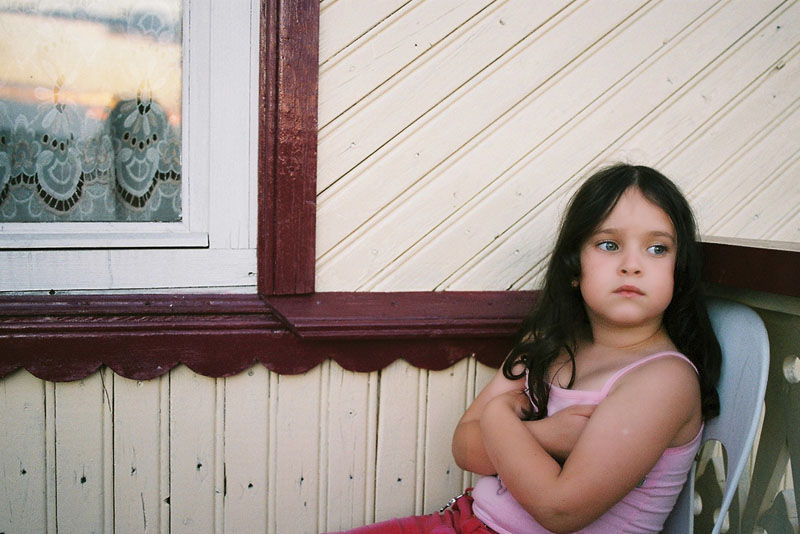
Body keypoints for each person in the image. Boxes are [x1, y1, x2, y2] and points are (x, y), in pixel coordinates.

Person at [327, 163, 721, 534]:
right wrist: (548, 433)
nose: (632, 265)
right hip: (466, 521)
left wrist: (499, 414)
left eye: (657, 249)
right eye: (608, 244)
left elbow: (559, 508)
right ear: (572, 267)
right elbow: (465, 448)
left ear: (678, 270)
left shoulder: (662, 380)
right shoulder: (548, 343)